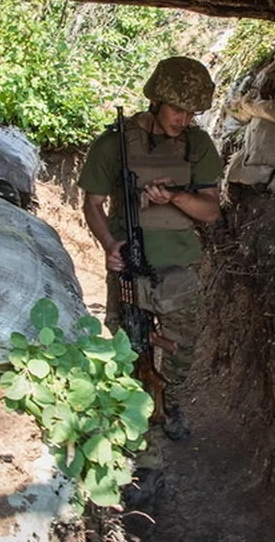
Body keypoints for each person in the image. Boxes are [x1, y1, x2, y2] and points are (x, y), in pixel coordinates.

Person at [78, 56, 223, 447]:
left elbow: (210, 211)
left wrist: (174, 197)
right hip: (129, 267)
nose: (184, 119)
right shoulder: (114, 145)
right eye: (178, 109)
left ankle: (169, 404)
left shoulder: (197, 145)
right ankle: (129, 415)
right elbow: (92, 204)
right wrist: (110, 246)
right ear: (156, 100)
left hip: (179, 267)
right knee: (128, 346)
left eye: (192, 112)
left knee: (181, 348)